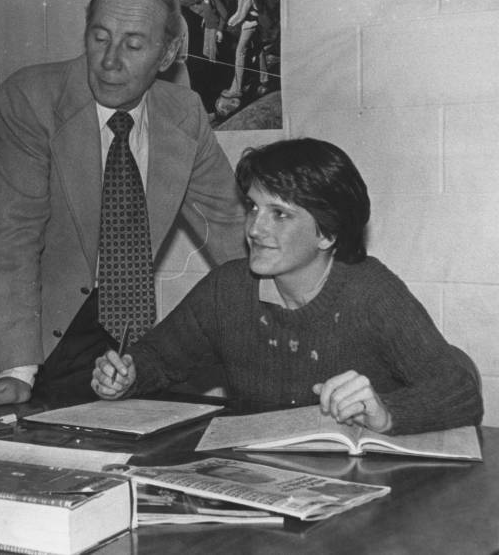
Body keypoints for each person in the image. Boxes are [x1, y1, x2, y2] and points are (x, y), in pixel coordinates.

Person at [0, 0, 246, 409]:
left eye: (134, 46)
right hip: (16, 312)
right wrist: (18, 369)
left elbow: (231, 224)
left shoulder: (185, 113)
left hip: (113, 324)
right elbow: (13, 239)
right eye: (100, 38)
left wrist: (285, 308)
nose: (110, 62)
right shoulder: (32, 97)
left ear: (168, 53)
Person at [93, 138, 483, 436]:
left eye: (280, 214)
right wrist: (126, 375)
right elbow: (158, 359)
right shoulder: (227, 288)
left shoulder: (370, 291)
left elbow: (459, 388)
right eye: (253, 207)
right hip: (258, 478)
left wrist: (386, 412)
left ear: (327, 233)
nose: (255, 228)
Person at [222, 0, 268, 99]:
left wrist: (231, 23)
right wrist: (230, 20)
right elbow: (239, 10)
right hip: (250, 22)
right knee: (259, 49)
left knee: (239, 52)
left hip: (251, 23)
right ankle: (264, 80)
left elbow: (243, 13)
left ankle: (236, 89)